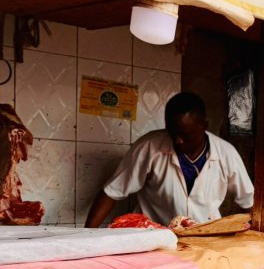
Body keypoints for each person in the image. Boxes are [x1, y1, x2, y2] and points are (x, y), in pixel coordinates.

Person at [85, 92, 254, 227]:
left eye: (185, 135)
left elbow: (249, 201)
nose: (178, 141)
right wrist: (86, 238)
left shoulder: (226, 153)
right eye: (173, 133)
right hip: (154, 238)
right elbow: (112, 192)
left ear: (203, 126)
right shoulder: (149, 146)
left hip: (205, 240)